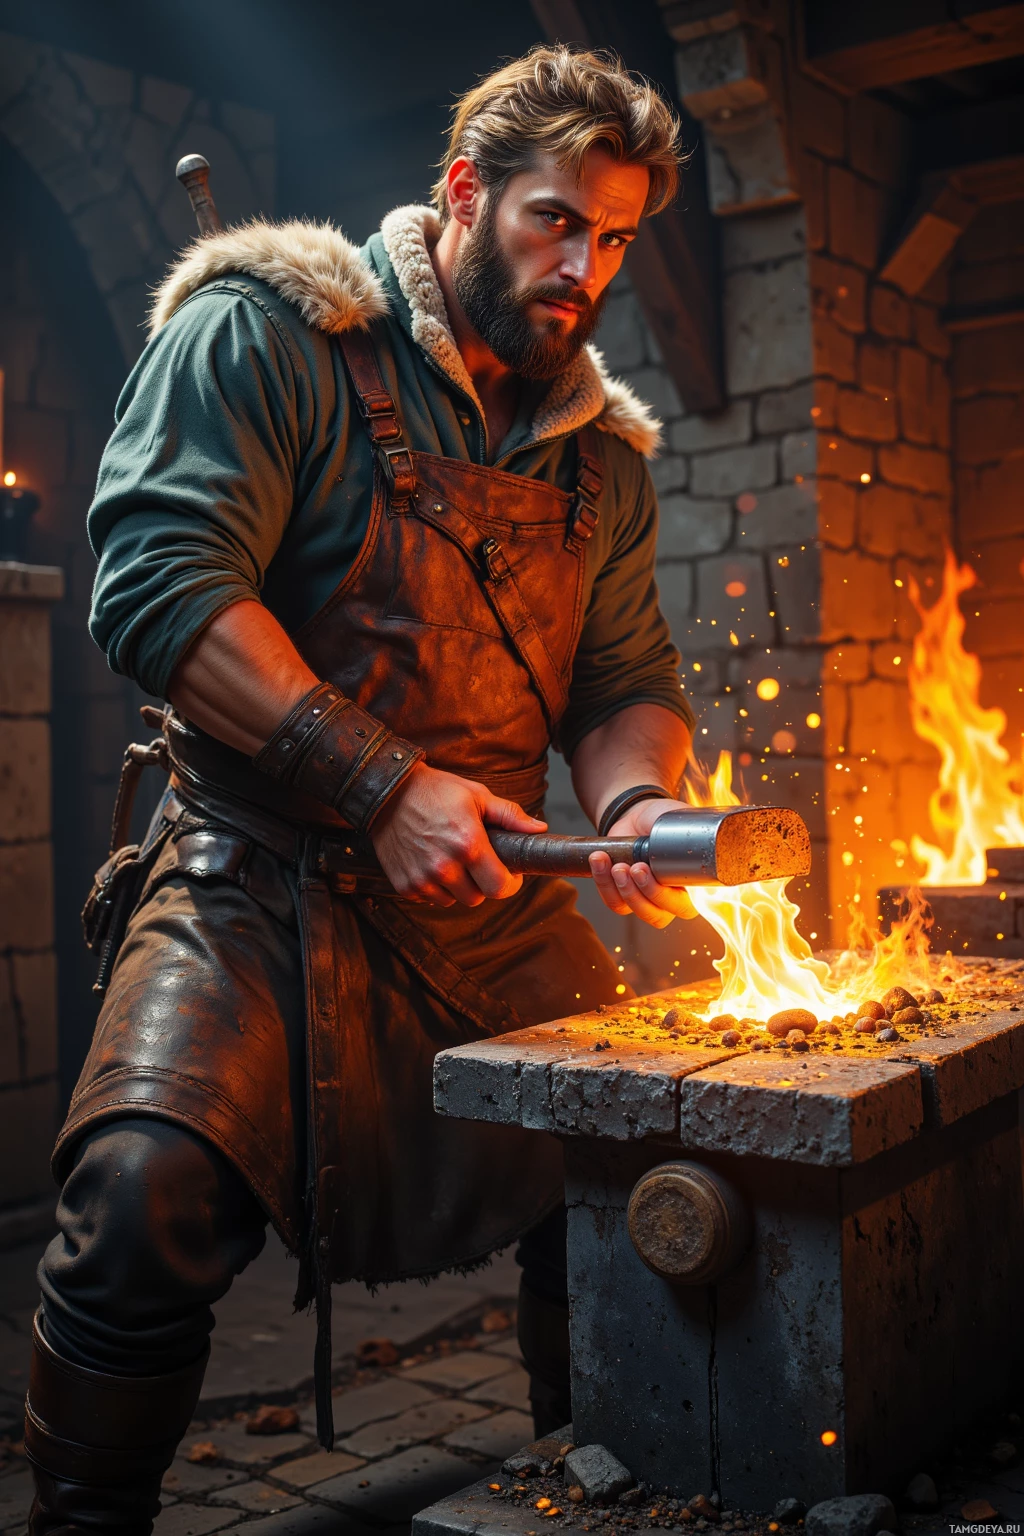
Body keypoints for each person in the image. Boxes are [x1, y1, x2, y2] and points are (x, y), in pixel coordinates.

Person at [26, 44, 698, 1535]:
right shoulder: (265, 338)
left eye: (617, 238)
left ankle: (594, 1499)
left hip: (491, 896)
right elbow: (159, 587)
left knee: (634, 1169)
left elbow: (623, 688)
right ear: (462, 193)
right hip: (250, 872)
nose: (585, 267)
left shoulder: (607, 464)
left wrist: (639, 806)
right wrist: (386, 786)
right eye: (553, 221)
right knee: (137, 1203)